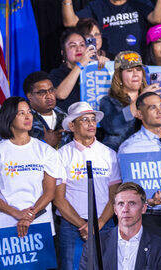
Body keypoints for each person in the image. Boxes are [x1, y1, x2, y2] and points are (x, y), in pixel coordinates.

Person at [117, 91, 161, 260]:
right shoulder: (130, 148)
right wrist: (147, 202)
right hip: (145, 220)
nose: (160, 110)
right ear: (139, 114)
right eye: (152, 107)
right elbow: (125, 193)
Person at [55, 101, 121, 270]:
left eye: (93, 119)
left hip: (104, 224)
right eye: (85, 120)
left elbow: (114, 196)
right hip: (72, 227)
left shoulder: (109, 154)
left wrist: (98, 224)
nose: (91, 124)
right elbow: (59, 199)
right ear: (72, 125)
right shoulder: (62, 155)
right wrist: (82, 225)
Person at [0, 97, 61, 239]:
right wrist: (16, 213)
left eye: (29, 112)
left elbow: (50, 192)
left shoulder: (46, 151)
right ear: (9, 117)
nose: (28, 116)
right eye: (21, 113)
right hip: (4, 225)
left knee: (43, 262)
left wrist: (28, 215)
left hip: (39, 223)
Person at [79, 181, 161, 270]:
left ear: (143, 208)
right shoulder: (95, 245)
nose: (125, 209)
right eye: (121, 204)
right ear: (115, 209)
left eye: (132, 203)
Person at [99, 52, 161, 150]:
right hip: (119, 156)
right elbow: (114, 126)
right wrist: (140, 100)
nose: (136, 74)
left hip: (148, 156)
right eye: (129, 70)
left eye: (138, 69)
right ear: (119, 76)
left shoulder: (152, 100)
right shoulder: (108, 101)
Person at [49, 27, 106, 112]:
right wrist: (81, 65)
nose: (78, 49)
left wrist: (107, 68)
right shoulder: (56, 74)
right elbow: (60, 95)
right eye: (73, 46)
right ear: (63, 52)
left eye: (82, 45)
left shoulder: (93, 70)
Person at [24, 70, 67, 147]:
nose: (49, 96)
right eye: (42, 92)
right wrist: (44, 144)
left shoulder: (65, 117)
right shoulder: (21, 120)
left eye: (51, 90)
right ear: (30, 96)